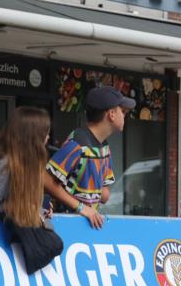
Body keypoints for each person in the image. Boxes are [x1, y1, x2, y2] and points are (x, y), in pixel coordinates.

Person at [45, 85, 135, 229]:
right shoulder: (78, 143)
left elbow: (105, 194)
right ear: (111, 114)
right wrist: (82, 207)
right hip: (65, 224)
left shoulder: (104, 146)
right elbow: (46, 180)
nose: (124, 116)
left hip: (84, 225)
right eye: (123, 111)